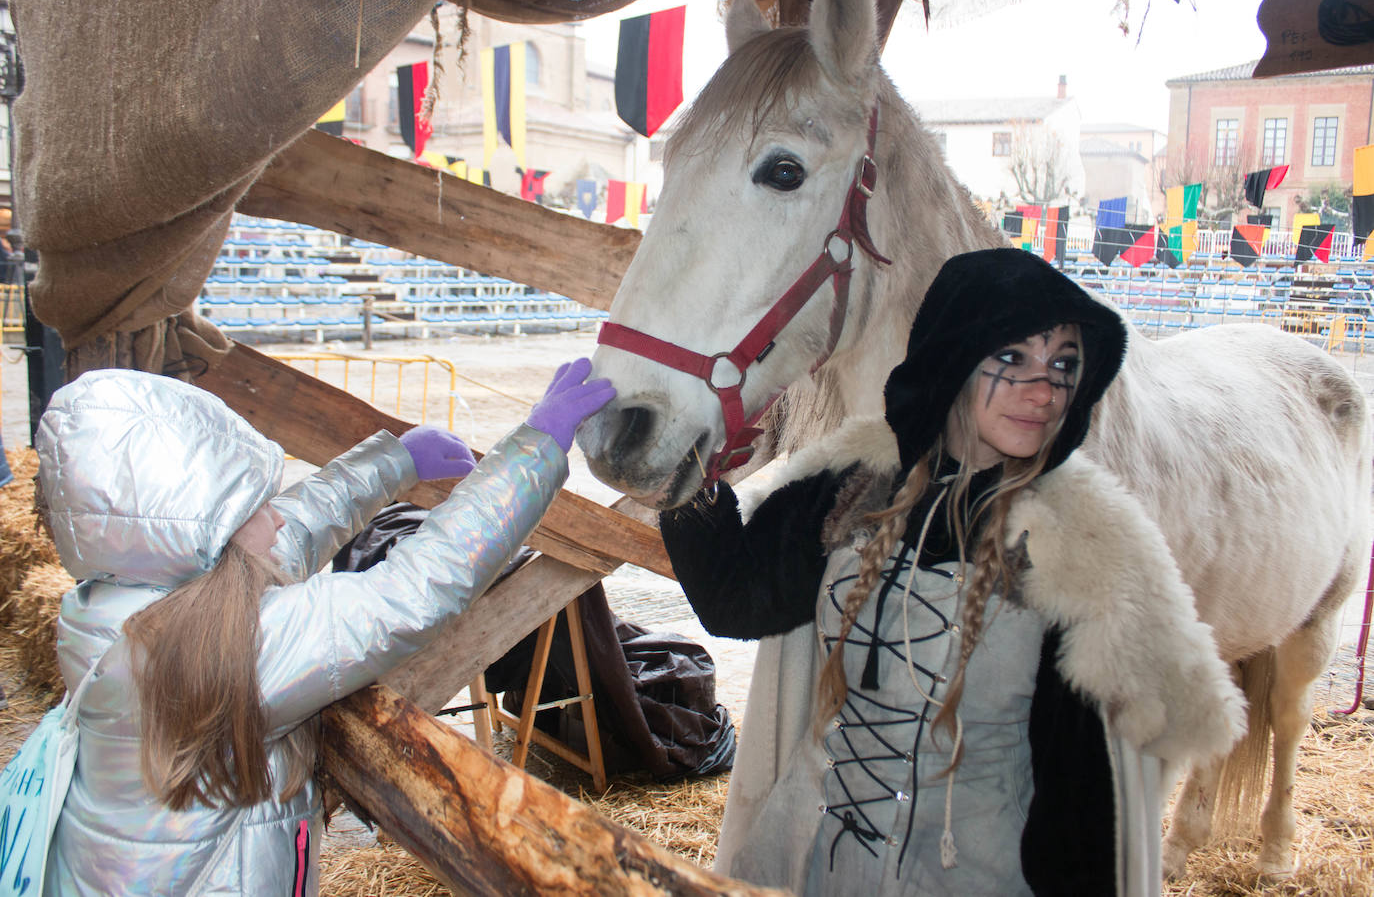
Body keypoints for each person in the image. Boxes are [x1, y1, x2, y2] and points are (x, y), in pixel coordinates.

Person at [659, 248, 1245, 897]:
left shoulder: (1073, 555)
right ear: (955, 355)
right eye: (1014, 358)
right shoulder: (854, 487)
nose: (1045, 389)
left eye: (1063, 365)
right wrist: (685, 471)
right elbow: (737, 601)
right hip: (798, 865)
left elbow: (1077, 821)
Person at [35, 359, 614, 896]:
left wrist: (392, 465)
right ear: (195, 538)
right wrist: (533, 453)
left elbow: (279, 540)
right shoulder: (226, 653)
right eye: (253, 505)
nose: (278, 512)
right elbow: (410, 591)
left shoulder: (120, 605)